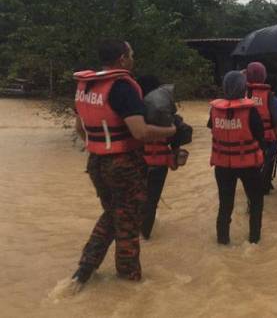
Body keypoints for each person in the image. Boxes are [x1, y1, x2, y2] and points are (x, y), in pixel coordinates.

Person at [71, 40, 176, 290]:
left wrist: (100, 148)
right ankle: (128, 282)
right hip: (123, 164)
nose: (133, 58)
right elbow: (139, 132)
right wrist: (170, 130)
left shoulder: (87, 86)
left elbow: (80, 129)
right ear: (122, 59)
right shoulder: (122, 87)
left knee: (113, 214)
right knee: (127, 221)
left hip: (96, 162)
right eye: (131, 54)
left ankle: (84, 271)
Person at [208, 71, 265, 244]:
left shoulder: (214, 110)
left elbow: (213, 129)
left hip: (223, 165)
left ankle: (222, 240)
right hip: (249, 165)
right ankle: (254, 240)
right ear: (243, 88)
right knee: (255, 203)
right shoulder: (251, 111)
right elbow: (260, 137)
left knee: (225, 205)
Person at [137, 75, 193, 240]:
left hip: (136, 162)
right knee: (151, 201)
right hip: (158, 164)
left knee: (134, 199)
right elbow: (184, 134)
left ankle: (135, 236)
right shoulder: (166, 115)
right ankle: (145, 236)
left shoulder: (133, 112)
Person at [246, 62, 277, 195]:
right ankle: (264, 186)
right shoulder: (270, 97)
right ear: (264, 77)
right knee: (267, 163)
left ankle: (255, 185)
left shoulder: (242, 94)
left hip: (247, 137)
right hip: (267, 138)